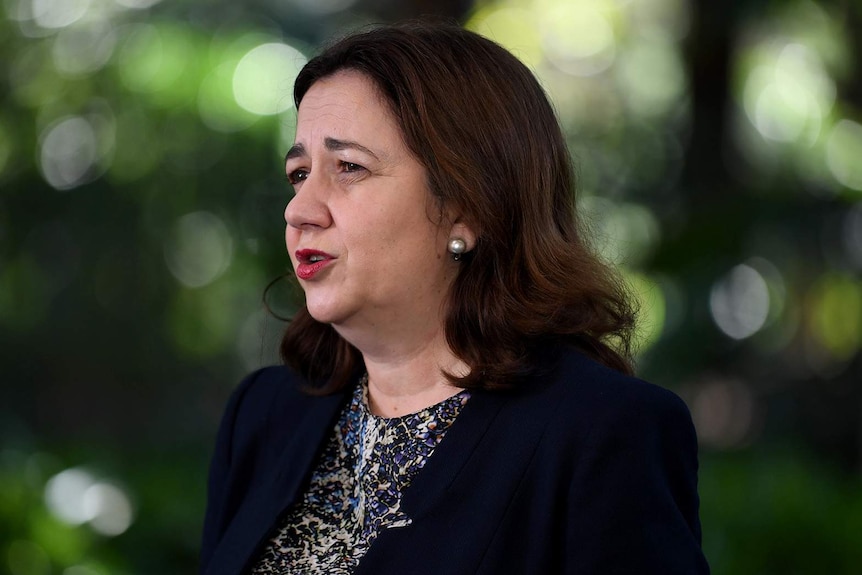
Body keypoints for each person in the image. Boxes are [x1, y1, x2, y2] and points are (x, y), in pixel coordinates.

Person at [200, 21, 709, 575]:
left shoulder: (603, 432)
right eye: (299, 174)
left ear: (470, 206)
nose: (299, 210)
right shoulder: (263, 416)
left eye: (349, 167)